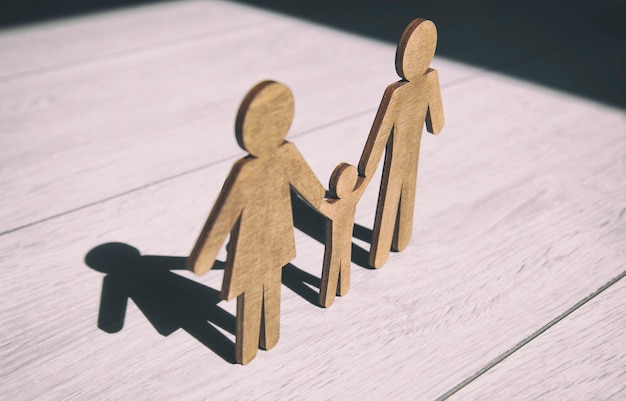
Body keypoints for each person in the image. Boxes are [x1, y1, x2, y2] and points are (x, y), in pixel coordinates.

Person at [187, 80, 325, 365]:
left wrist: (331, 204)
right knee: (251, 293)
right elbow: (224, 215)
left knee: (270, 285)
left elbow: (312, 189)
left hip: (275, 238)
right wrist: (204, 256)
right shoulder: (245, 172)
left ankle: (268, 336)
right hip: (251, 245)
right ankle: (249, 345)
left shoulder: (286, 153)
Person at [358, 18, 445, 268]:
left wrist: (366, 168)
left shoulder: (408, 89)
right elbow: (436, 125)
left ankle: (389, 247)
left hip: (406, 155)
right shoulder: (411, 88)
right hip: (404, 155)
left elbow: (435, 123)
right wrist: (368, 165)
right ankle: (388, 247)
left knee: (397, 195)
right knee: (398, 194)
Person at [319, 163, 366, 308]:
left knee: (333, 263)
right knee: (342, 259)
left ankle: (328, 297)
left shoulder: (332, 205)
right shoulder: (354, 194)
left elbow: (315, 203)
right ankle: (339, 290)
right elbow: (366, 176)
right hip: (345, 237)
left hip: (338, 238)